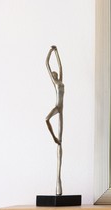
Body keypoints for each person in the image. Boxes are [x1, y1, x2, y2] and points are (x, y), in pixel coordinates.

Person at [45, 45, 64, 196]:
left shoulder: (61, 80)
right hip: (57, 106)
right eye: (53, 74)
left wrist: (57, 52)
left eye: (56, 73)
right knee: (46, 119)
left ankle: (59, 186)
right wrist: (50, 52)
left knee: (61, 144)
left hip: (62, 110)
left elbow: (60, 65)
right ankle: (54, 138)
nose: (55, 73)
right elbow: (47, 64)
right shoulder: (55, 83)